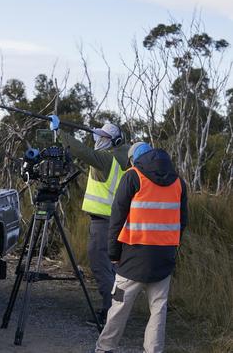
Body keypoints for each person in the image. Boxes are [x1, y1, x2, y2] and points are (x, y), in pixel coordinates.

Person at [95, 142, 187, 353]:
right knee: (158, 309)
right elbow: (182, 222)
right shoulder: (179, 182)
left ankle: (104, 349)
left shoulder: (132, 176)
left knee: (118, 305)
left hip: (131, 260)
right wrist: (171, 250)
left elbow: (116, 218)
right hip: (163, 259)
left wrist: (113, 253)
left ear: (134, 159)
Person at [49, 115, 130, 325]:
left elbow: (82, 152)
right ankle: (117, 309)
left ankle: (110, 314)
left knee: (101, 267)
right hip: (115, 222)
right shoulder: (122, 157)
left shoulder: (107, 158)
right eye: (99, 135)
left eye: (104, 136)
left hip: (104, 223)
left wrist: (60, 132)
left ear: (114, 141)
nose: (99, 139)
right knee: (114, 270)